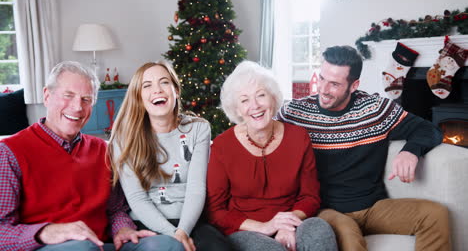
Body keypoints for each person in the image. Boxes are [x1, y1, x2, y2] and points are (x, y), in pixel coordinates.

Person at [276, 46, 450, 251]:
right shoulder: (295, 114)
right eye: (321, 78)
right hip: (326, 210)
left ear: (354, 85)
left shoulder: (375, 110)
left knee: (435, 214)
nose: (323, 89)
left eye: (334, 84)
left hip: (373, 207)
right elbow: (261, 138)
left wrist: (410, 151)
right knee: (349, 235)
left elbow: (428, 129)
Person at [0, 61, 183, 251]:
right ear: (47, 96)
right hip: (49, 247)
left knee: (166, 245)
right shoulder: (9, 152)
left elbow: (115, 209)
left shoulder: (102, 149)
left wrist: (123, 229)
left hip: (101, 245)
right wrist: (45, 232)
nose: (77, 107)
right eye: (68, 96)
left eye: (86, 99)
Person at [206, 60, 338, 251]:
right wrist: (265, 227)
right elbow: (216, 211)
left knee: (319, 230)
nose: (255, 106)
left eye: (261, 95)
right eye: (244, 100)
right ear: (237, 110)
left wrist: (287, 224)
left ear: (273, 98)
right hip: (247, 229)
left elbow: (310, 196)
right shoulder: (223, 145)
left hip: (293, 220)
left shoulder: (298, 137)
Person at [108, 61, 231, 251]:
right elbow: (137, 197)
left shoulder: (198, 128)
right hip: (147, 222)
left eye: (164, 82)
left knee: (217, 247)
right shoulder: (124, 137)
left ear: (176, 90)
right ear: (139, 97)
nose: (157, 90)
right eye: (147, 85)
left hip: (191, 220)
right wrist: (173, 235)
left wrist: (183, 231)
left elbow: (196, 188)